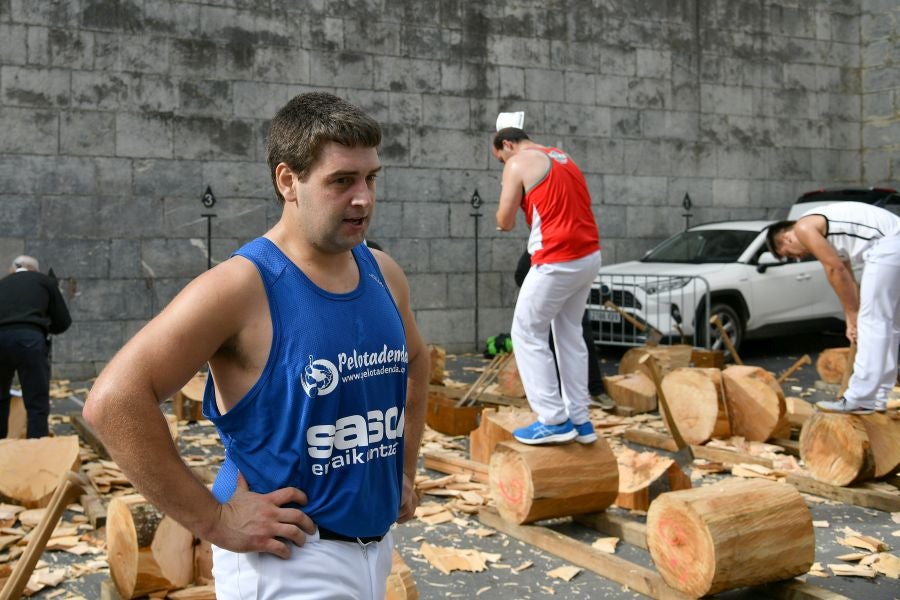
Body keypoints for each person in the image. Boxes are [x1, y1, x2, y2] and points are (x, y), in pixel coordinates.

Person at [83, 92, 429, 599]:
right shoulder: (240, 287)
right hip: (288, 560)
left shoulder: (383, 272)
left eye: (370, 178)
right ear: (288, 181)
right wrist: (216, 520)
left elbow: (416, 361)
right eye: (341, 181)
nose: (364, 198)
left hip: (375, 548)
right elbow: (113, 401)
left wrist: (404, 467)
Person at [492, 126, 602, 445]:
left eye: (501, 158)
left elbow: (504, 219)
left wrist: (508, 193)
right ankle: (580, 420)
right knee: (569, 333)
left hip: (556, 257)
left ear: (508, 145)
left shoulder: (518, 161)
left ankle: (553, 419)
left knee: (526, 331)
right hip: (588, 255)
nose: (504, 165)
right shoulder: (562, 156)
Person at [766, 201, 900, 414]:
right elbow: (845, 276)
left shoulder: (803, 227)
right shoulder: (831, 235)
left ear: (786, 237)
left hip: (888, 245)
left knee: (873, 322)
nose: (799, 258)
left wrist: (856, 314)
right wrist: (850, 317)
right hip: (892, 243)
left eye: (791, 254)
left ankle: (860, 397)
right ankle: (880, 396)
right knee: (888, 324)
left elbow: (833, 269)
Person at [513, 250, 611, 409]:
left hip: (567, 284)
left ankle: (585, 395)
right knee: (549, 343)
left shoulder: (559, 243)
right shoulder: (536, 249)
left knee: (576, 341)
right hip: (552, 297)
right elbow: (521, 274)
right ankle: (563, 404)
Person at [0, 255, 71, 438]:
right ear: (34, 269)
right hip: (30, 340)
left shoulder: (3, 283)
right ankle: (36, 446)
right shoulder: (44, 281)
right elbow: (63, 321)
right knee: (36, 400)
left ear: (13, 269)